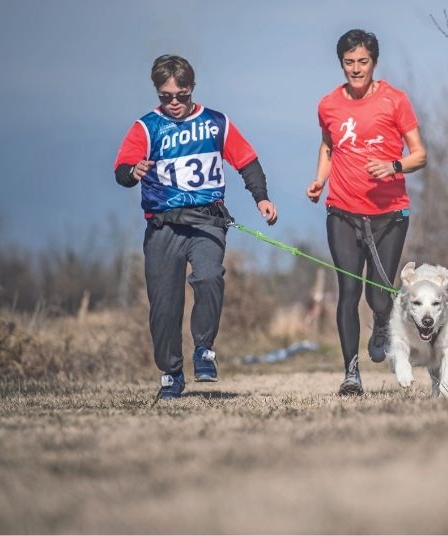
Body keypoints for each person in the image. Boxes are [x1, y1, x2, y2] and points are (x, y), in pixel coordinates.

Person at [114, 54, 278, 400]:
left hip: (208, 221)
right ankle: (171, 374)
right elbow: (122, 170)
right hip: (163, 227)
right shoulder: (146, 127)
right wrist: (133, 172)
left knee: (208, 277)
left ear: (192, 89)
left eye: (181, 95)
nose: (174, 103)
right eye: (166, 96)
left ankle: (204, 349)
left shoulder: (216, 123)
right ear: (157, 93)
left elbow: (247, 161)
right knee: (164, 304)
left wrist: (261, 198)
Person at [306, 29, 427, 396]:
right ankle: (350, 373)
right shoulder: (328, 105)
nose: (356, 69)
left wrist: (393, 167)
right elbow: (328, 146)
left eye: (362, 62)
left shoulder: (395, 101)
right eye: (349, 62)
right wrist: (319, 180)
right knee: (348, 288)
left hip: (389, 213)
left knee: (378, 295)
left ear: (374, 62)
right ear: (340, 63)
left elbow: (419, 154)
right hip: (341, 210)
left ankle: (380, 321)